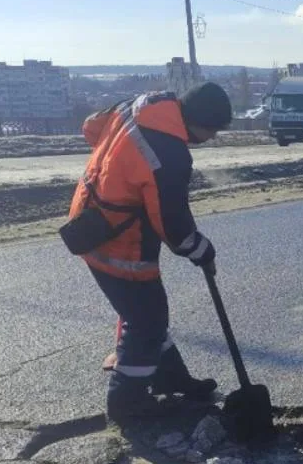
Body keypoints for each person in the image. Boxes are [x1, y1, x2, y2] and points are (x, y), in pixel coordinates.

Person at [63, 83, 233, 422]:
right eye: (212, 130)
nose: (212, 137)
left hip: (89, 215)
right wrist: (202, 251)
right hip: (119, 240)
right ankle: (126, 404)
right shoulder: (168, 152)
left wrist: (116, 169)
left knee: (148, 312)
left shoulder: (138, 105)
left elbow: (91, 127)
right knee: (146, 321)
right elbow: (172, 224)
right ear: (196, 120)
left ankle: (170, 378)